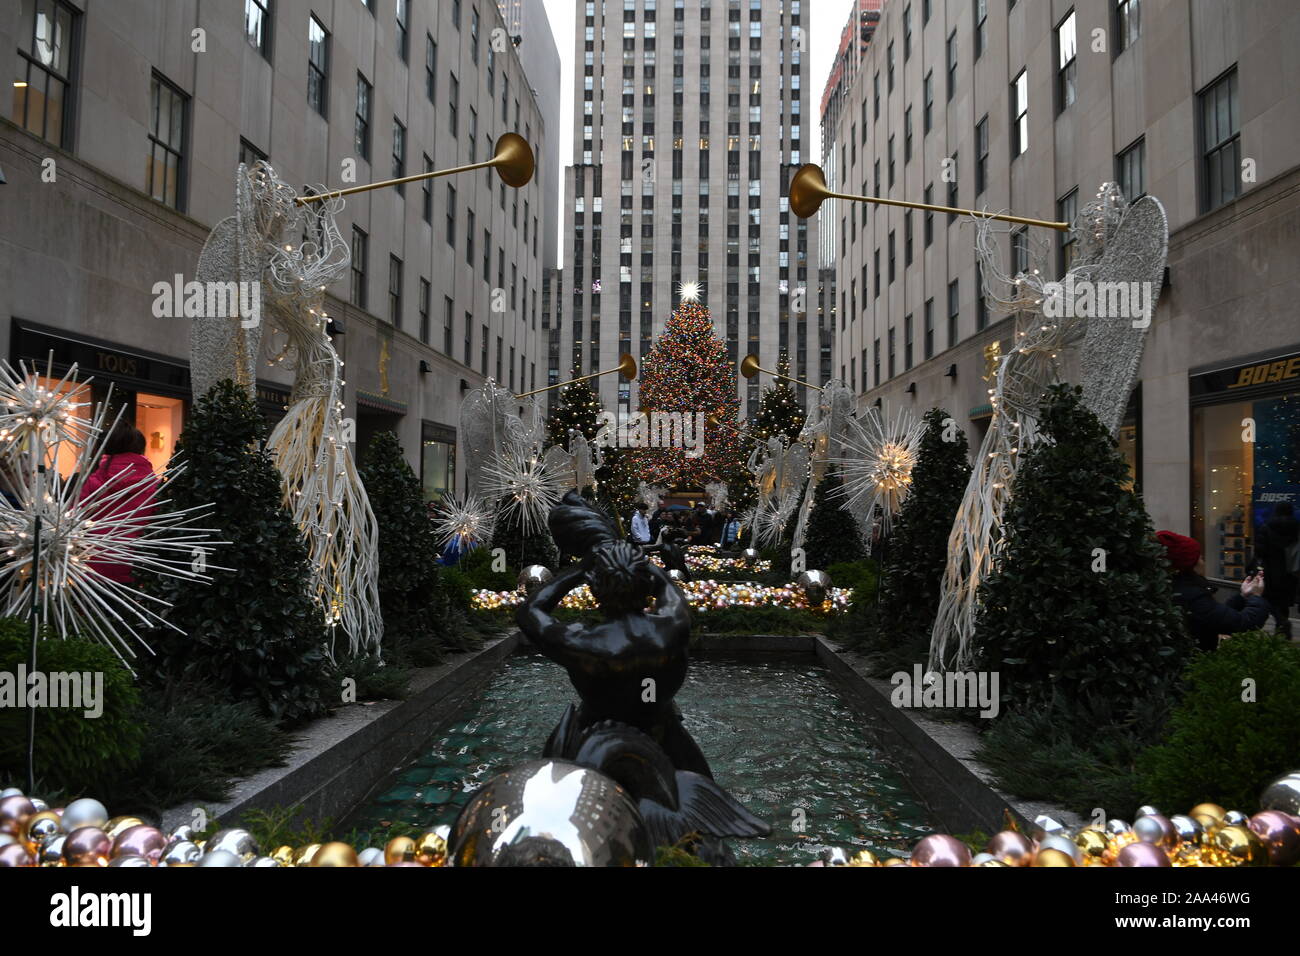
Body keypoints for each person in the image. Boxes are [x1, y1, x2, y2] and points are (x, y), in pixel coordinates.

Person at [1158, 530, 1270, 652]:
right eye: (1200, 558)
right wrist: (1256, 596)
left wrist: (1242, 596)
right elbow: (1242, 623)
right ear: (1190, 566)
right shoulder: (1190, 596)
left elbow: (1215, 615)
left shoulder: (1176, 589)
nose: (1203, 562)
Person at [80, 423, 159, 585]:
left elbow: (76, 517)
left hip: (96, 562)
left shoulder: (96, 481)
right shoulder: (153, 485)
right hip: (138, 561)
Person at [1251, 502, 1299, 638]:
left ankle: (1281, 622)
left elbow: (1260, 551)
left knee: (1270, 600)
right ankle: (1282, 628)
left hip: (1271, 571)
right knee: (1284, 601)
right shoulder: (1296, 528)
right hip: (1291, 572)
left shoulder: (1266, 527)